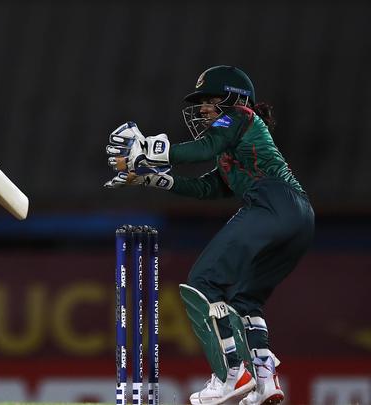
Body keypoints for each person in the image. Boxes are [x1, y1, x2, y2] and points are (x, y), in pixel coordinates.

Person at [104, 65, 314, 405]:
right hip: (300, 218)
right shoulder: (235, 146)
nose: (202, 108)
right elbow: (206, 188)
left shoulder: (240, 116)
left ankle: (231, 374)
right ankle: (263, 378)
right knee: (246, 299)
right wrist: (153, 177)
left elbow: (202, 148)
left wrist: (147, 151)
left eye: (210, 100)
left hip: (272, 203)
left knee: (203, 281)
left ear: (233, 99)